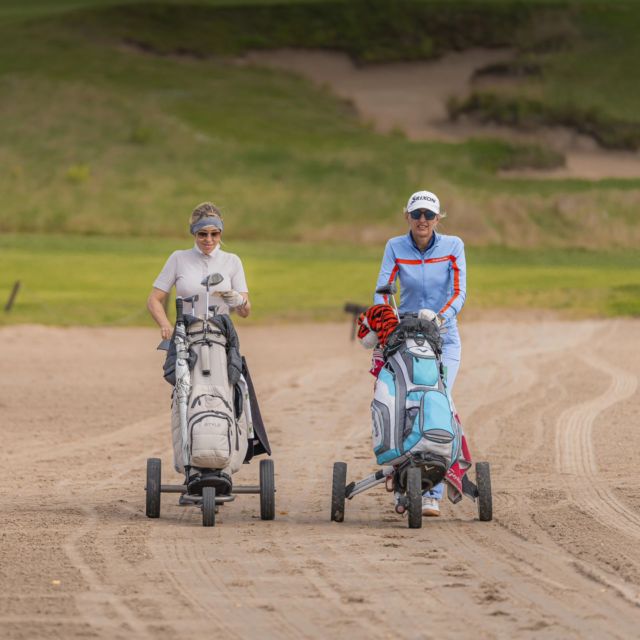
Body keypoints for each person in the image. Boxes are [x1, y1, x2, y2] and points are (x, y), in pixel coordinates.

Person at [374, 190, 466, 517]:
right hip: (405, 335)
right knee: (400, 400)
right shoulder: (394, 246)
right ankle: (401, 479)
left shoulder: (453, 246)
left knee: (438, 400)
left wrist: (439, 317)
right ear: (407, 217)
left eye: (429, 215)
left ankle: (434, 490)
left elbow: (459, 292)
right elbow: (382, 290)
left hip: (443, 336)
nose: (423, 221)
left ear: (438, 218)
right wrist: (387, 323)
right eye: (417, 215)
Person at [147, 201, 250, 337]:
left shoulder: (232, 261)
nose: (209, 239)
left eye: (214, 234)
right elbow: (154, 299)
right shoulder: (178, 258)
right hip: (186, 335)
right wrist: (165, 324)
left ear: (220, 233)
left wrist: (240, 302)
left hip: (221, 335)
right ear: (194, 233)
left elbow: (244, 313)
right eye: (202, 234)